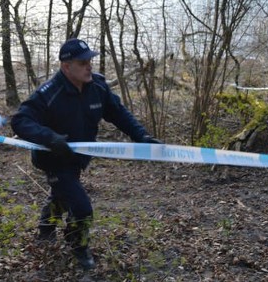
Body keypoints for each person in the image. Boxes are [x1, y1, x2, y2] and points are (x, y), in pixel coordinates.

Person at [11, 38, 161, 271]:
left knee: (62, 194)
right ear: (66, 66)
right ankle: (78, 245)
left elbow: (120, 115)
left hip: (79, 158)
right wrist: (49, 137)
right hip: (54, 159)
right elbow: (20, 121)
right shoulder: (48, 93)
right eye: (82, 62)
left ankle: (45, 227)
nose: (89, 66)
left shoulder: (98, 87)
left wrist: (142, 137)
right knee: (81, 207)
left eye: (89, 60)